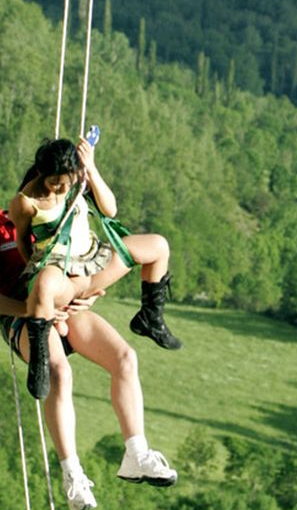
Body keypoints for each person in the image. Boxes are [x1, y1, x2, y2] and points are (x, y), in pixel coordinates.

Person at [0, 206, 177, 510]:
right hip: (24, 318)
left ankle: (137, 453)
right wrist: (27, 309)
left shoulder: (64, 220)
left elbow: (82, 266)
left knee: (124, 358)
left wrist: (85, 294)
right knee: (58, 372)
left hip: (68, 309)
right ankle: (72, 474)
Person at [9, 136, 182, 403]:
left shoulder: (78, 181)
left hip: (93, 262)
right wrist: (36, 277)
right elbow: (22, 242)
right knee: (45, 283)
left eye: (65, 182)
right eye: (54, 182)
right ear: (41, 173)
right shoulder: (26, 201)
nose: (60, 188)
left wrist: (91, 168)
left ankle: (150, 317)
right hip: (60, 272)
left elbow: (110, 210)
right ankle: (40, 357)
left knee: (158, 247)